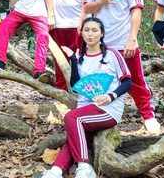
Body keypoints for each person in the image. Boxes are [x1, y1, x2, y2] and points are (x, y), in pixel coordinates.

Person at [83, 0, 160, 134]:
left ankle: (148, 116)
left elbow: (136, 11)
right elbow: (87, 8)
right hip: (100, 46)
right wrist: (100, 1)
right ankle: (98, 114)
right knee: (98, 81)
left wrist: (132, 39)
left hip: (124, 42)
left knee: (134, 80)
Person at [41, 17, 132, 178]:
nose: (90, 34)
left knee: (71, 117)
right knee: (73, 140)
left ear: (102, 34)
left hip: (107, 109)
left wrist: (111, 96)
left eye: (95, 30)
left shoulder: (112, 55)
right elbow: (76, 85)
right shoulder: (80, 58)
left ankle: (84, 166)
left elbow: (127, 82)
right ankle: (55, 172)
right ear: (81, 32)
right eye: (87, 30)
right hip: (84, 110)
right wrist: (74, 61)